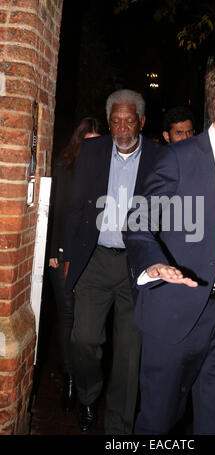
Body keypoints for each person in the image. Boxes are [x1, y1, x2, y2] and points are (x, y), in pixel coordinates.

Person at [124, 62, 215, 435]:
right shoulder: (176, 158)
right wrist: (156, 265)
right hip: (177, 310)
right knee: (158, 421)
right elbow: (138, 224)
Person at [63, 89, 162, 434]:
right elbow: (76, 207)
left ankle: (119, 429)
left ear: (141, 122)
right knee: (84, 340)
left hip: (137, 265)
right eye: (116, 121)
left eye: (129, 120)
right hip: (95, 261)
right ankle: (89, 396)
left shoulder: (159, 157)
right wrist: (66, 256)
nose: (122, 128)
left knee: (129, 355)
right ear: (109, 123)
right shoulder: (92, 151)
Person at [48, 117, 101, 413]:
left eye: (97, 142)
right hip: (63, 253)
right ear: (78, 141)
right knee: (67, 314)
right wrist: (57, 250)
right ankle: (68, 379)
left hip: (93, 256)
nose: (92, 148)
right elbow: (55, 209)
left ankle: (84, 382)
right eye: (87, 141)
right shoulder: (64, 168)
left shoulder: (105, 172)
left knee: (86, 323)